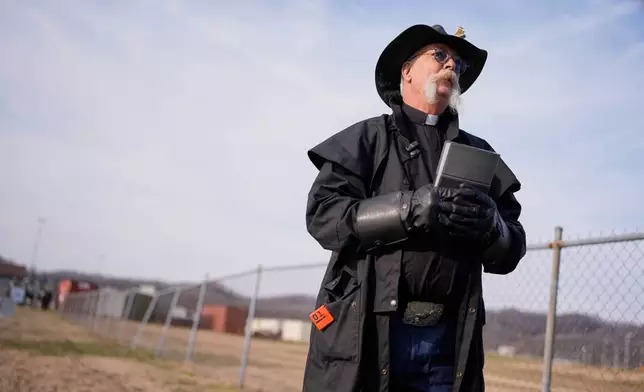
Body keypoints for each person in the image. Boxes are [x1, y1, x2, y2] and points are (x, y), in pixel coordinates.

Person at [302, 24, 527, 392]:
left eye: (458, 64)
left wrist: (492, 229)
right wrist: (409, 209)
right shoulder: (366, 139)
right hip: (368, 335)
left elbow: (511, 246)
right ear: (406, 70)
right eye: (440, 55)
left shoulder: (481, 156)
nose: (451, 66)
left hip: (448, 345)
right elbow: (324, 215)